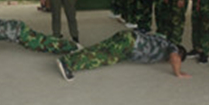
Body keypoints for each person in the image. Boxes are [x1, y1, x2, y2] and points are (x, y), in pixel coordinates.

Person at [0, 18, 79, 84]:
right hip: (16, 31)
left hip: (18, 32)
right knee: (41, 44)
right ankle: (68, 46)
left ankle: (73, 47)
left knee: (43, 44)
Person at [56, 29, 190, 81]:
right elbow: (175, 58)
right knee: (102, 57)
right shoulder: (172, 46)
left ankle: (74, 54)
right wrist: (178, 73)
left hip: (127, 35)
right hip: (129, 45)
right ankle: (68, 63)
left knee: (99, 48)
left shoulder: (162, 40)